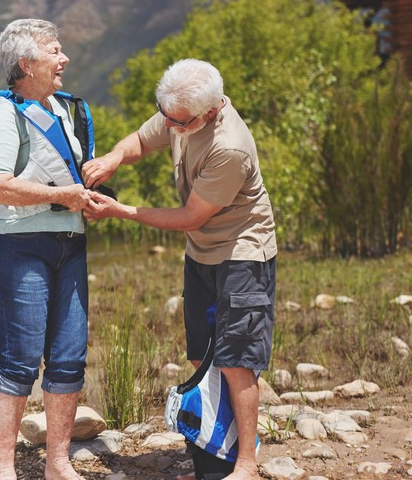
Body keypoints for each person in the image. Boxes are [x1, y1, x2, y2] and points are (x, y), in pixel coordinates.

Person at [82, 58, 276, 480]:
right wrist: (114, 158)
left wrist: (121, 211)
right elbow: (140, 139)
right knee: (199, 355)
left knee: (236, 359)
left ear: (208, 112)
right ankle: (216, 450)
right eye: (165, 115)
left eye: (178, 121)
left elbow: (190, 217)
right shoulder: (179, 110)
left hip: (242, 252)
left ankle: (247, 464)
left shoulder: (229, 147)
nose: (169, 126)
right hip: (202, 254)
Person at [0, 18, 103, 480]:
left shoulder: (66, 110)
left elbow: (68, 175)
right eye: (55, 50)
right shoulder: (4, 114)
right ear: (26, 64)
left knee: (69, 356)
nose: (64, 58)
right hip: (17, 247)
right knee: (19, 359)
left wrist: (87, 197)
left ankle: (58, 464)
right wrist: (62, 196)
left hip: (69, 243)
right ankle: (4, 470)